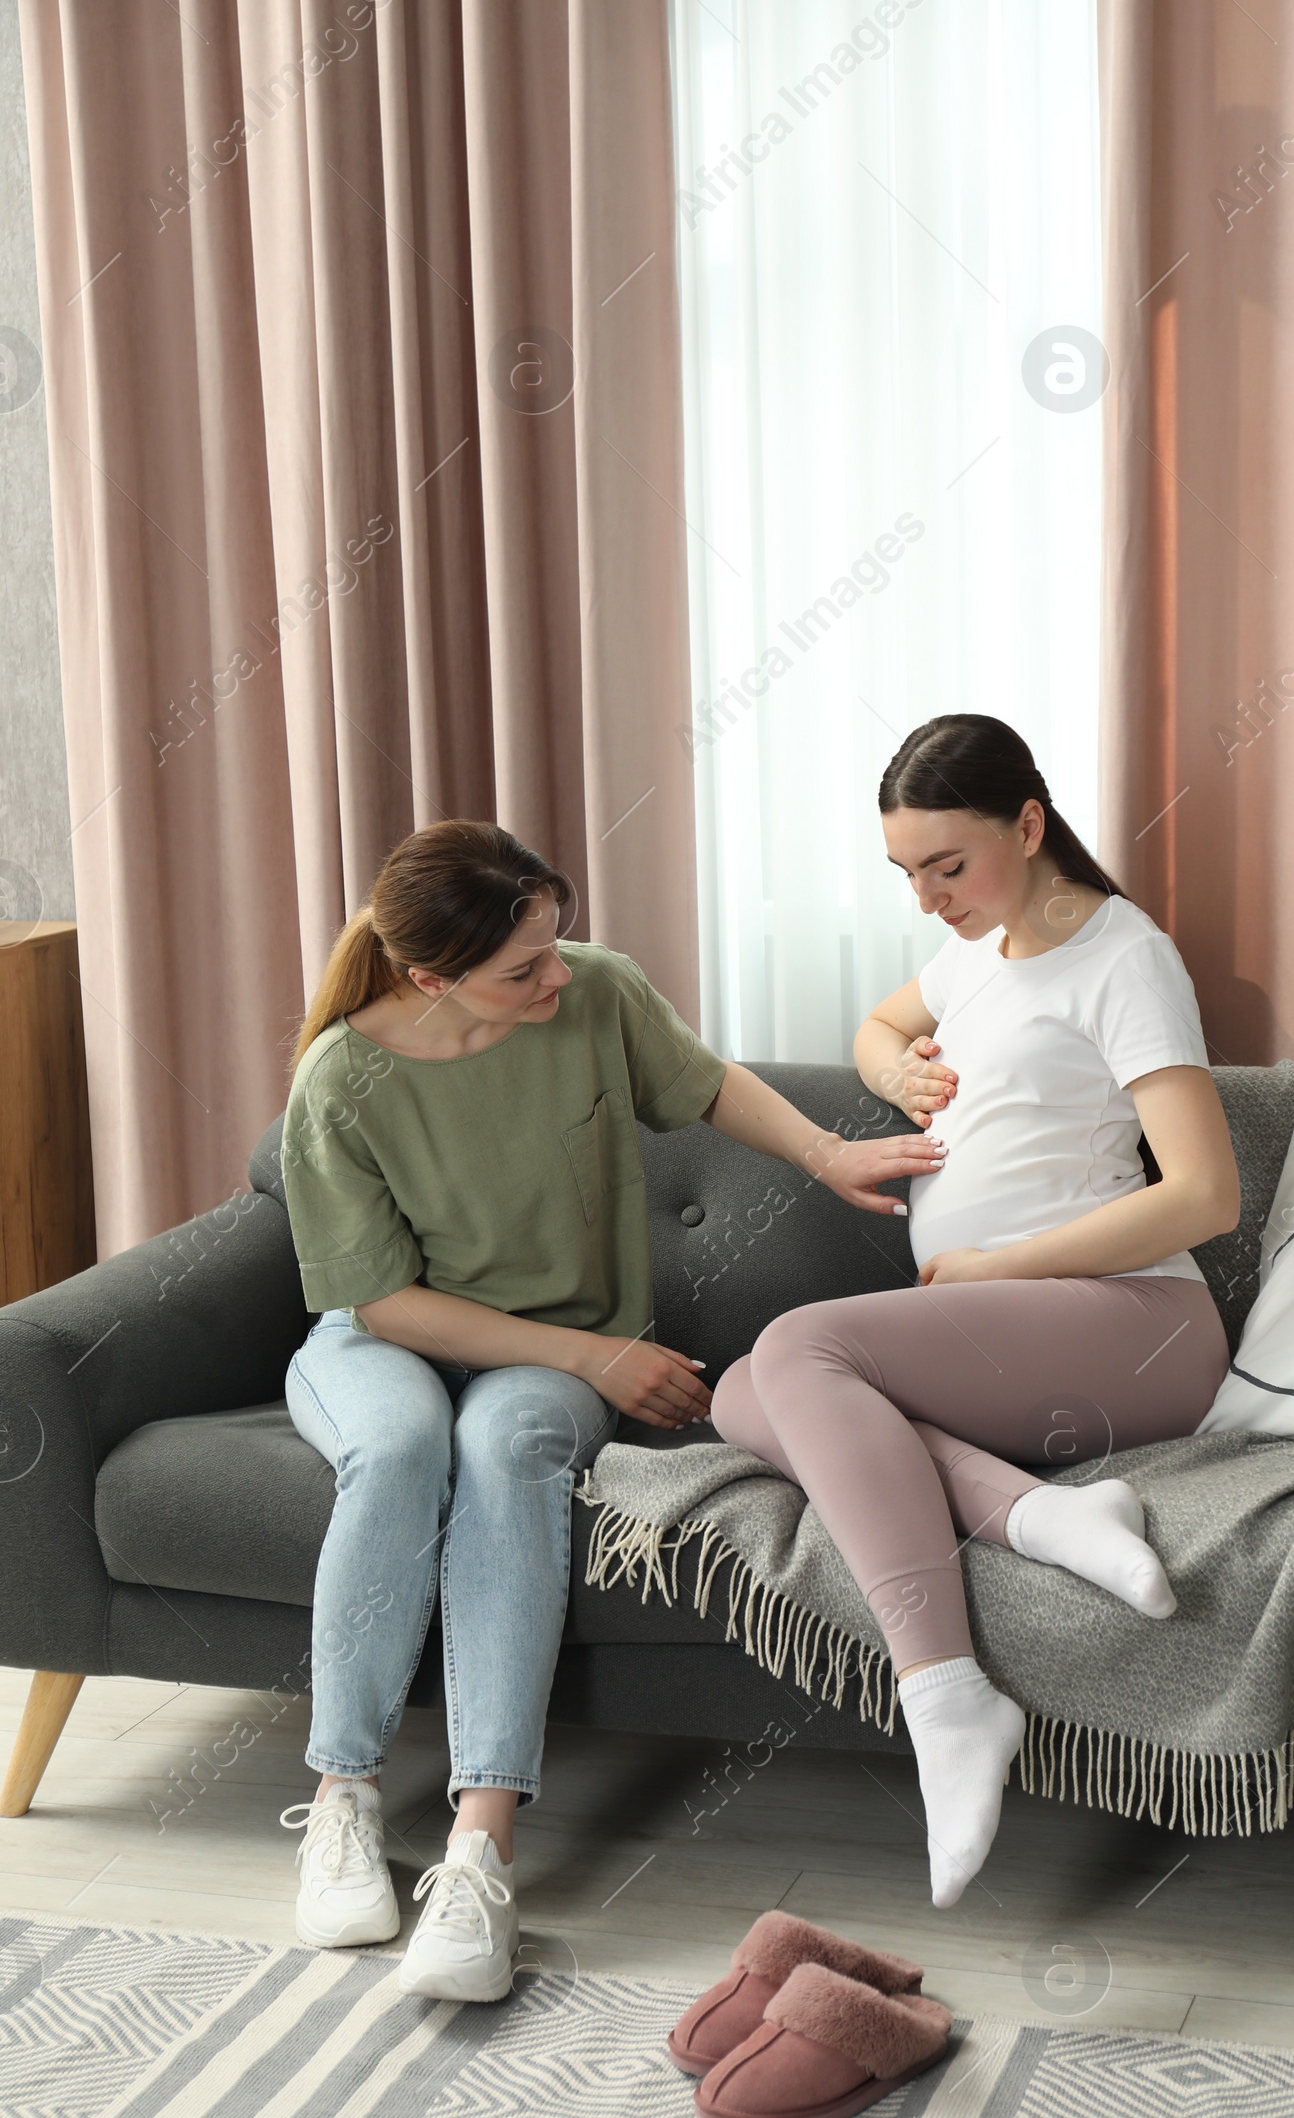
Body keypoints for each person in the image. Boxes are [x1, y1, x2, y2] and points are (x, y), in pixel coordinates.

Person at [277, 819, 940, 2000]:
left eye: (554, 943)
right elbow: (382, 1305)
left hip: (546, 1360)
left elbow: (709, 1085)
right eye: (522, 966)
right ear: (431, 979)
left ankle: (481, 1852)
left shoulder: (593, 994)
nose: (555, 976)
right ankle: (343, 1795)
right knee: (399, 1442)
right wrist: (596, 1356)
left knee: (505, 1440)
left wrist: (832, 1156)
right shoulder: (342, 1078)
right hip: (384, 1338)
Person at [710, 715, 1239, 1907]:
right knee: (746, 1389)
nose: (927, 898)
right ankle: (1046, 1522)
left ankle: (946, 1698)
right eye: (906, 874)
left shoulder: (1124, 960)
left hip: (1136, 1321)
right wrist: (890, 1065)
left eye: (948, 865)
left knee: (798, 1346)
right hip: (1026, 1334)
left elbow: (1206, 1195)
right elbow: (883, 1020)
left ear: (1031, 825)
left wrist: (1006, 1268)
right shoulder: (976, 956)